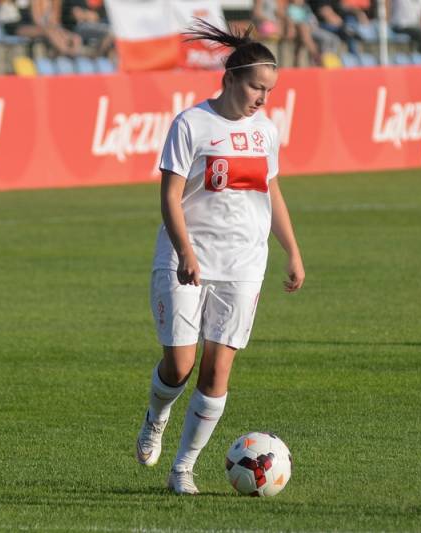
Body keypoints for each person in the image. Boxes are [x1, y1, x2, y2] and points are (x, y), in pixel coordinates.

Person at [134, 19, 305, 495]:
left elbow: (271, 191)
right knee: (179, 365)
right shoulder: (191, 124)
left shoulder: (265, 131)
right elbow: (170, 196)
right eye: (256, 87)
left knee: (217, 370)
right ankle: (156, 416)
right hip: (186, 258)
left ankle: (183, 468)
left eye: (269, 90)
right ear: (230, 79)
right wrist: (186, 250)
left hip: (244, 263)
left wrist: (292, 250)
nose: (262, 98)